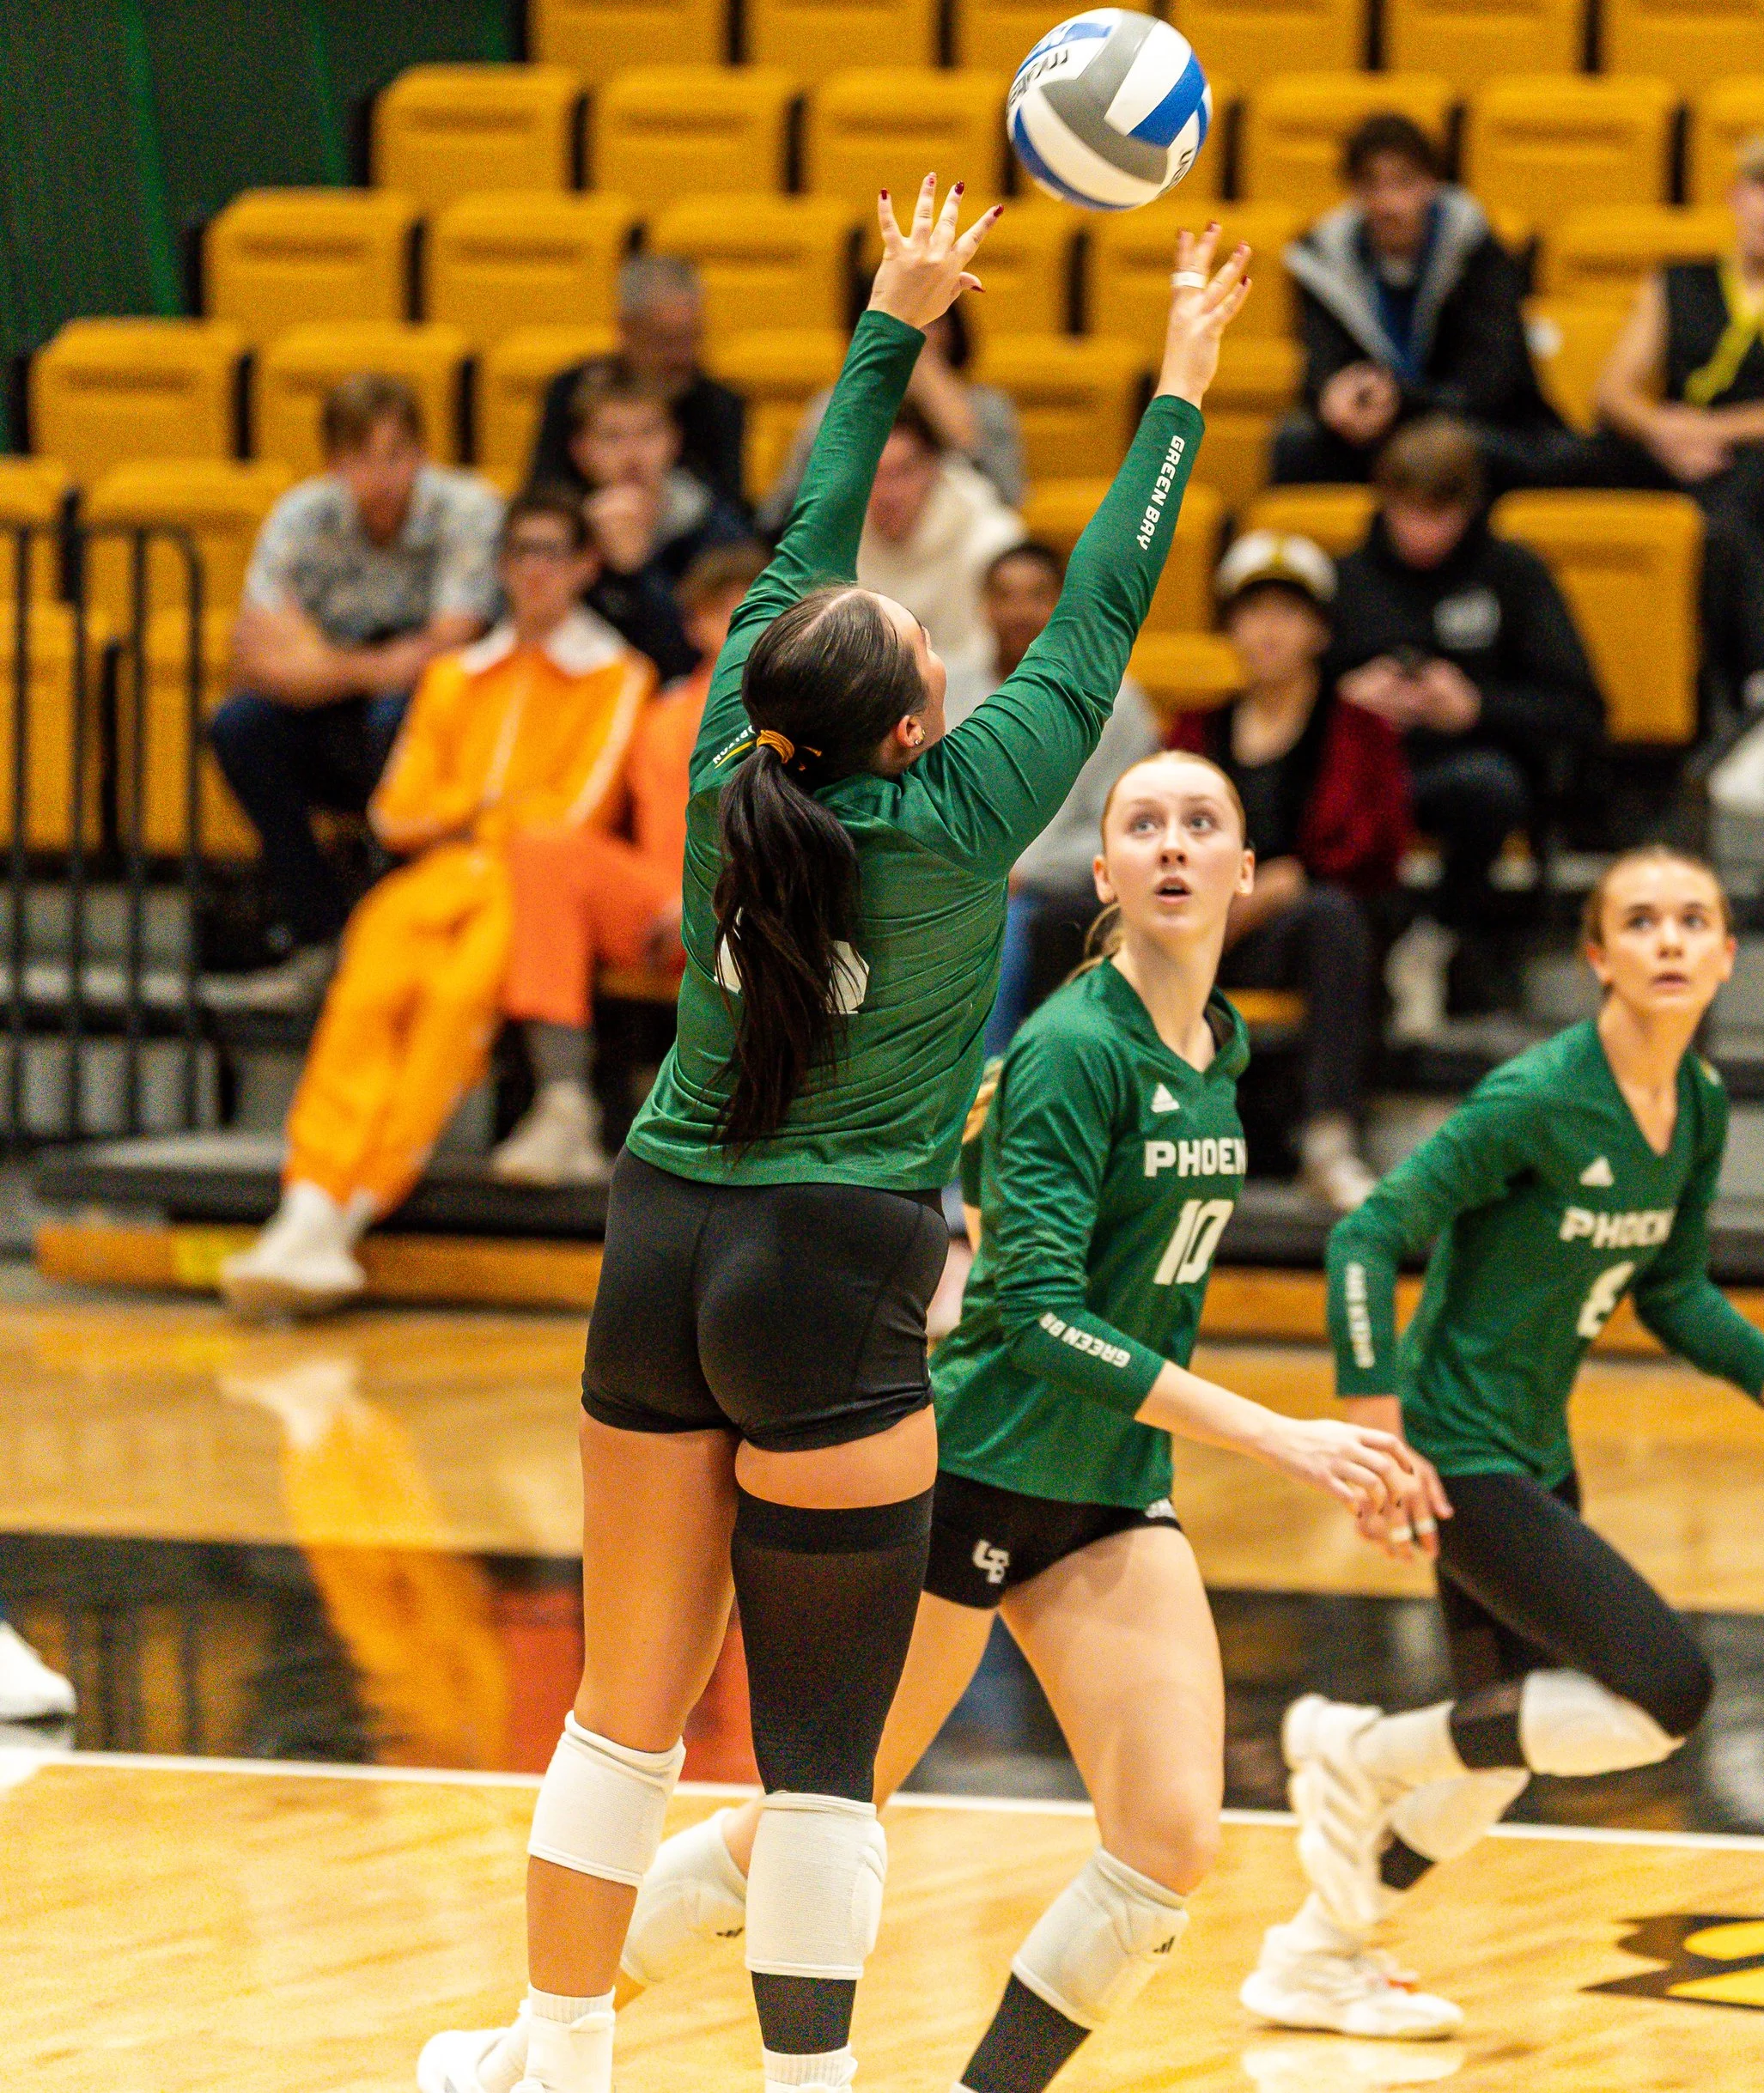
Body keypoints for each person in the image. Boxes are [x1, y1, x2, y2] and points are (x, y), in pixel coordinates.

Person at [419, 183, 1249, 2093]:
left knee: (617, 1726)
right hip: (834, 1270)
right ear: (908, 716)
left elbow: (804, 531)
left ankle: (557, 2053)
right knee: (810, 1750)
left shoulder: (731, 758)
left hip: (659, 1237)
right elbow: (1107, 590)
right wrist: (1179, 377)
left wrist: (890, 322)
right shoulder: (965, 813)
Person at [418, 751, 1445, 2093]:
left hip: (1109, 1489)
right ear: (1107, 872)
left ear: (1250, 875)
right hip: (972, 1474)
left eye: (1206, 825)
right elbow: (1034, 1314)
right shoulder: (1079, 1047)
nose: (1177, 845)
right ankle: (530, 2046)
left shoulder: (1221, 1049)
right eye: (1146, 824)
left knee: (1168, 1844)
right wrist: (1282, 1434)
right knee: (801, 1824)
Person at [1251, 847, 1764, 2027]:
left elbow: (1675, 1287)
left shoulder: (1697, 1103)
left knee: (1498, 1753)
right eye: (1640, 921)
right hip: (1458, 1452)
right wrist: (1374, 1420)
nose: (1668, 939)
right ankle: (1354, 1749)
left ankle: (1316, 1947)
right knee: (1665, 1691)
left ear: (1725, 955)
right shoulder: (1539, 1098)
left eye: (1692, 919)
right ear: (1598, 955)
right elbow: (1368, 1234)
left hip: (1532, 1449)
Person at [216, 490, 655, 1320]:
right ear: (500, 567)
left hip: (527, 883)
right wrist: (482, 809)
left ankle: (350, 1211)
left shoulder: (614, 674)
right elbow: (393, 809)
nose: (535, 571)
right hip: (440, 875)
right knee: (367, 989)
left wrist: (467, 809)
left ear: (585, 568)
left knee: (456, 1003)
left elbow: (575, 810)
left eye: (553, 554)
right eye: (520, 553)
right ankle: (306, 1200)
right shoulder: (455, 674)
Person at [1593, 131, 1764, 815]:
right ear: (1735, 196)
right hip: (1673, 452)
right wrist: (1664, 429)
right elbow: (1614, 390)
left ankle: (1763, 703)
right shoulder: (1677, 280)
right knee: (1567, 472)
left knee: (1728, 521)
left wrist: (1719, 429)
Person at [211, 374, 501, 990]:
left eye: (395, 455)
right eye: (359, 458)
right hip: (335, 704)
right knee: (238, 726)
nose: (380, 475)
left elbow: (451, 644)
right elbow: (254, 659)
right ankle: (320, 932)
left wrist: (319, 660)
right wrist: (371, 667)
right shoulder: (299, 515)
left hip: (437, 714)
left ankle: (411, 933)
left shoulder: (468, 507)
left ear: (422, 454)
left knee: (396, 715)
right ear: (332, 464)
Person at [490, 542, 768, 1184]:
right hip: (657, 906)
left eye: (755, 609)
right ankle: (563, 1105)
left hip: (752, 912)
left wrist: (710, 899)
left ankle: (741, 1122)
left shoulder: (807, 718)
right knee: (543, 847)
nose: (740, 625)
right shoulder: (662, 714)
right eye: (720, 611)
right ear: (695, 624)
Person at [1167, 532, 1412, 1214]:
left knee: (1331, 915)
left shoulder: (1360, 729)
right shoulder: (1193, 728)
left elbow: (1378, 847)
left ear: (1319, 630)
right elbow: (1156, 830)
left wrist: (1289, 881)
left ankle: (1329, 1140)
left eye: (1287, 613)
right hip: (1199, 925)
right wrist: (1224, 898)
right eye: (1251, 612)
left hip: (1301, 934)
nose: (1267, 630)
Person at [1329, 419, 1603, 1016]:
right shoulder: (1346, 577)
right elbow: (1283, 697)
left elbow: (1581, 708)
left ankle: (1439, 939)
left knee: (1488, 786)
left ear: (1469, 507)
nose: (1421, 532)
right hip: (1361, 774)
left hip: (1465, 767)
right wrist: (1347, 700)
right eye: (1407, 512)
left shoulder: (1515, 574)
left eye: (1439, 515)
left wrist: (1476, 706)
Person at [1274, 113, 1571, 494]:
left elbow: (1495, 380)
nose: (1388, 203)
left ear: (1432, 184)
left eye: (1403, 182)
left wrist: (1402, 400)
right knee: (1294, 445)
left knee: (1478, 452)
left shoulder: (1477, 251)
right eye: (1371, 186)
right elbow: (1320, 364)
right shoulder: (1323, 259)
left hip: (1472, 422)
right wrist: (1333, 395)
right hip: (1372, 431)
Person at [942, 541, 1159, 1056]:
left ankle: (982, 1107)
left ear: (1064, 602)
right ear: (983, 605)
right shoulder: (945, 690)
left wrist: (1019, 871)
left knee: (1001, 931)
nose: (1019, 611)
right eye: (1004, 596)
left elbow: (1127, 829)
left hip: (1060, 890)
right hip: (956, 879)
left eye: (1037, 595)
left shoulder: (1116, 700)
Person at [525, 252, 750, 528]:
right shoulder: (571, 392)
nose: (683, 356)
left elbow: (730, 513)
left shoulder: (720, 404)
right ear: (626, 331)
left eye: (693, 337)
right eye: (666, 341)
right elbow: (543, 496)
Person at [761, 293, 1026, 526]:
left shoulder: (988, 405)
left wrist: (939, 393)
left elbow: (1006, 500)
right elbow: (782, 512)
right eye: (892, 321)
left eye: (929, 321)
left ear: (952, 330)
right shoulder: (833, 404)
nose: (908, 336)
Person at [549, 362, 719, 681]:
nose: (632, 454)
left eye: (648, 433)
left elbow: (700, 658)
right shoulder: (558, 531)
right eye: (612, 437)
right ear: (581, 450)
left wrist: (638, 571)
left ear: (675, 440)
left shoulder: (714, 527)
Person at [854, 396, 1026, 668]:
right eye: (873, 474)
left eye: (903, 472)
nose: (887, 494)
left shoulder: (993, 538)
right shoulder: (831, 540)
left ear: (934, 469)